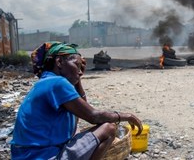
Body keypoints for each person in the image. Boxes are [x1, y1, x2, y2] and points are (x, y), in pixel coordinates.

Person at [10, 41, 142, 160]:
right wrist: (127, 116)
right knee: (109, 128)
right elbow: (93, 116)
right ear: (59, 62)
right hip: (42, 156)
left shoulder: (46, 81)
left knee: (79, 131)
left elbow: (80, 113)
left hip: (29, 155)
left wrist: (78, 79)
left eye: (81, 68)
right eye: (76, 65)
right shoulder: (57, 83)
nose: (79, 71)